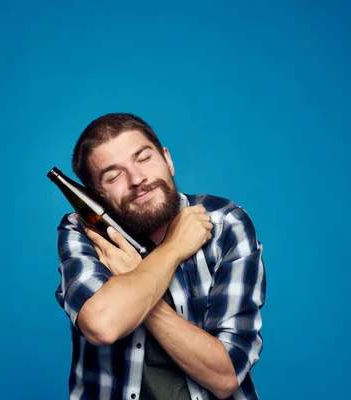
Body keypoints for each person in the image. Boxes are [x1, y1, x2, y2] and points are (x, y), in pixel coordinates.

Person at [55, 113, 266, 400]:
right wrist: (174, 249)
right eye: (113, 176)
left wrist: (135, 281)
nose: (137, 179)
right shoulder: (82, 230)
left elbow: (226, 375)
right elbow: (103, 325)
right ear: (95, 196)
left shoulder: (225, 224)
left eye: (143, 158)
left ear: (167, 159)